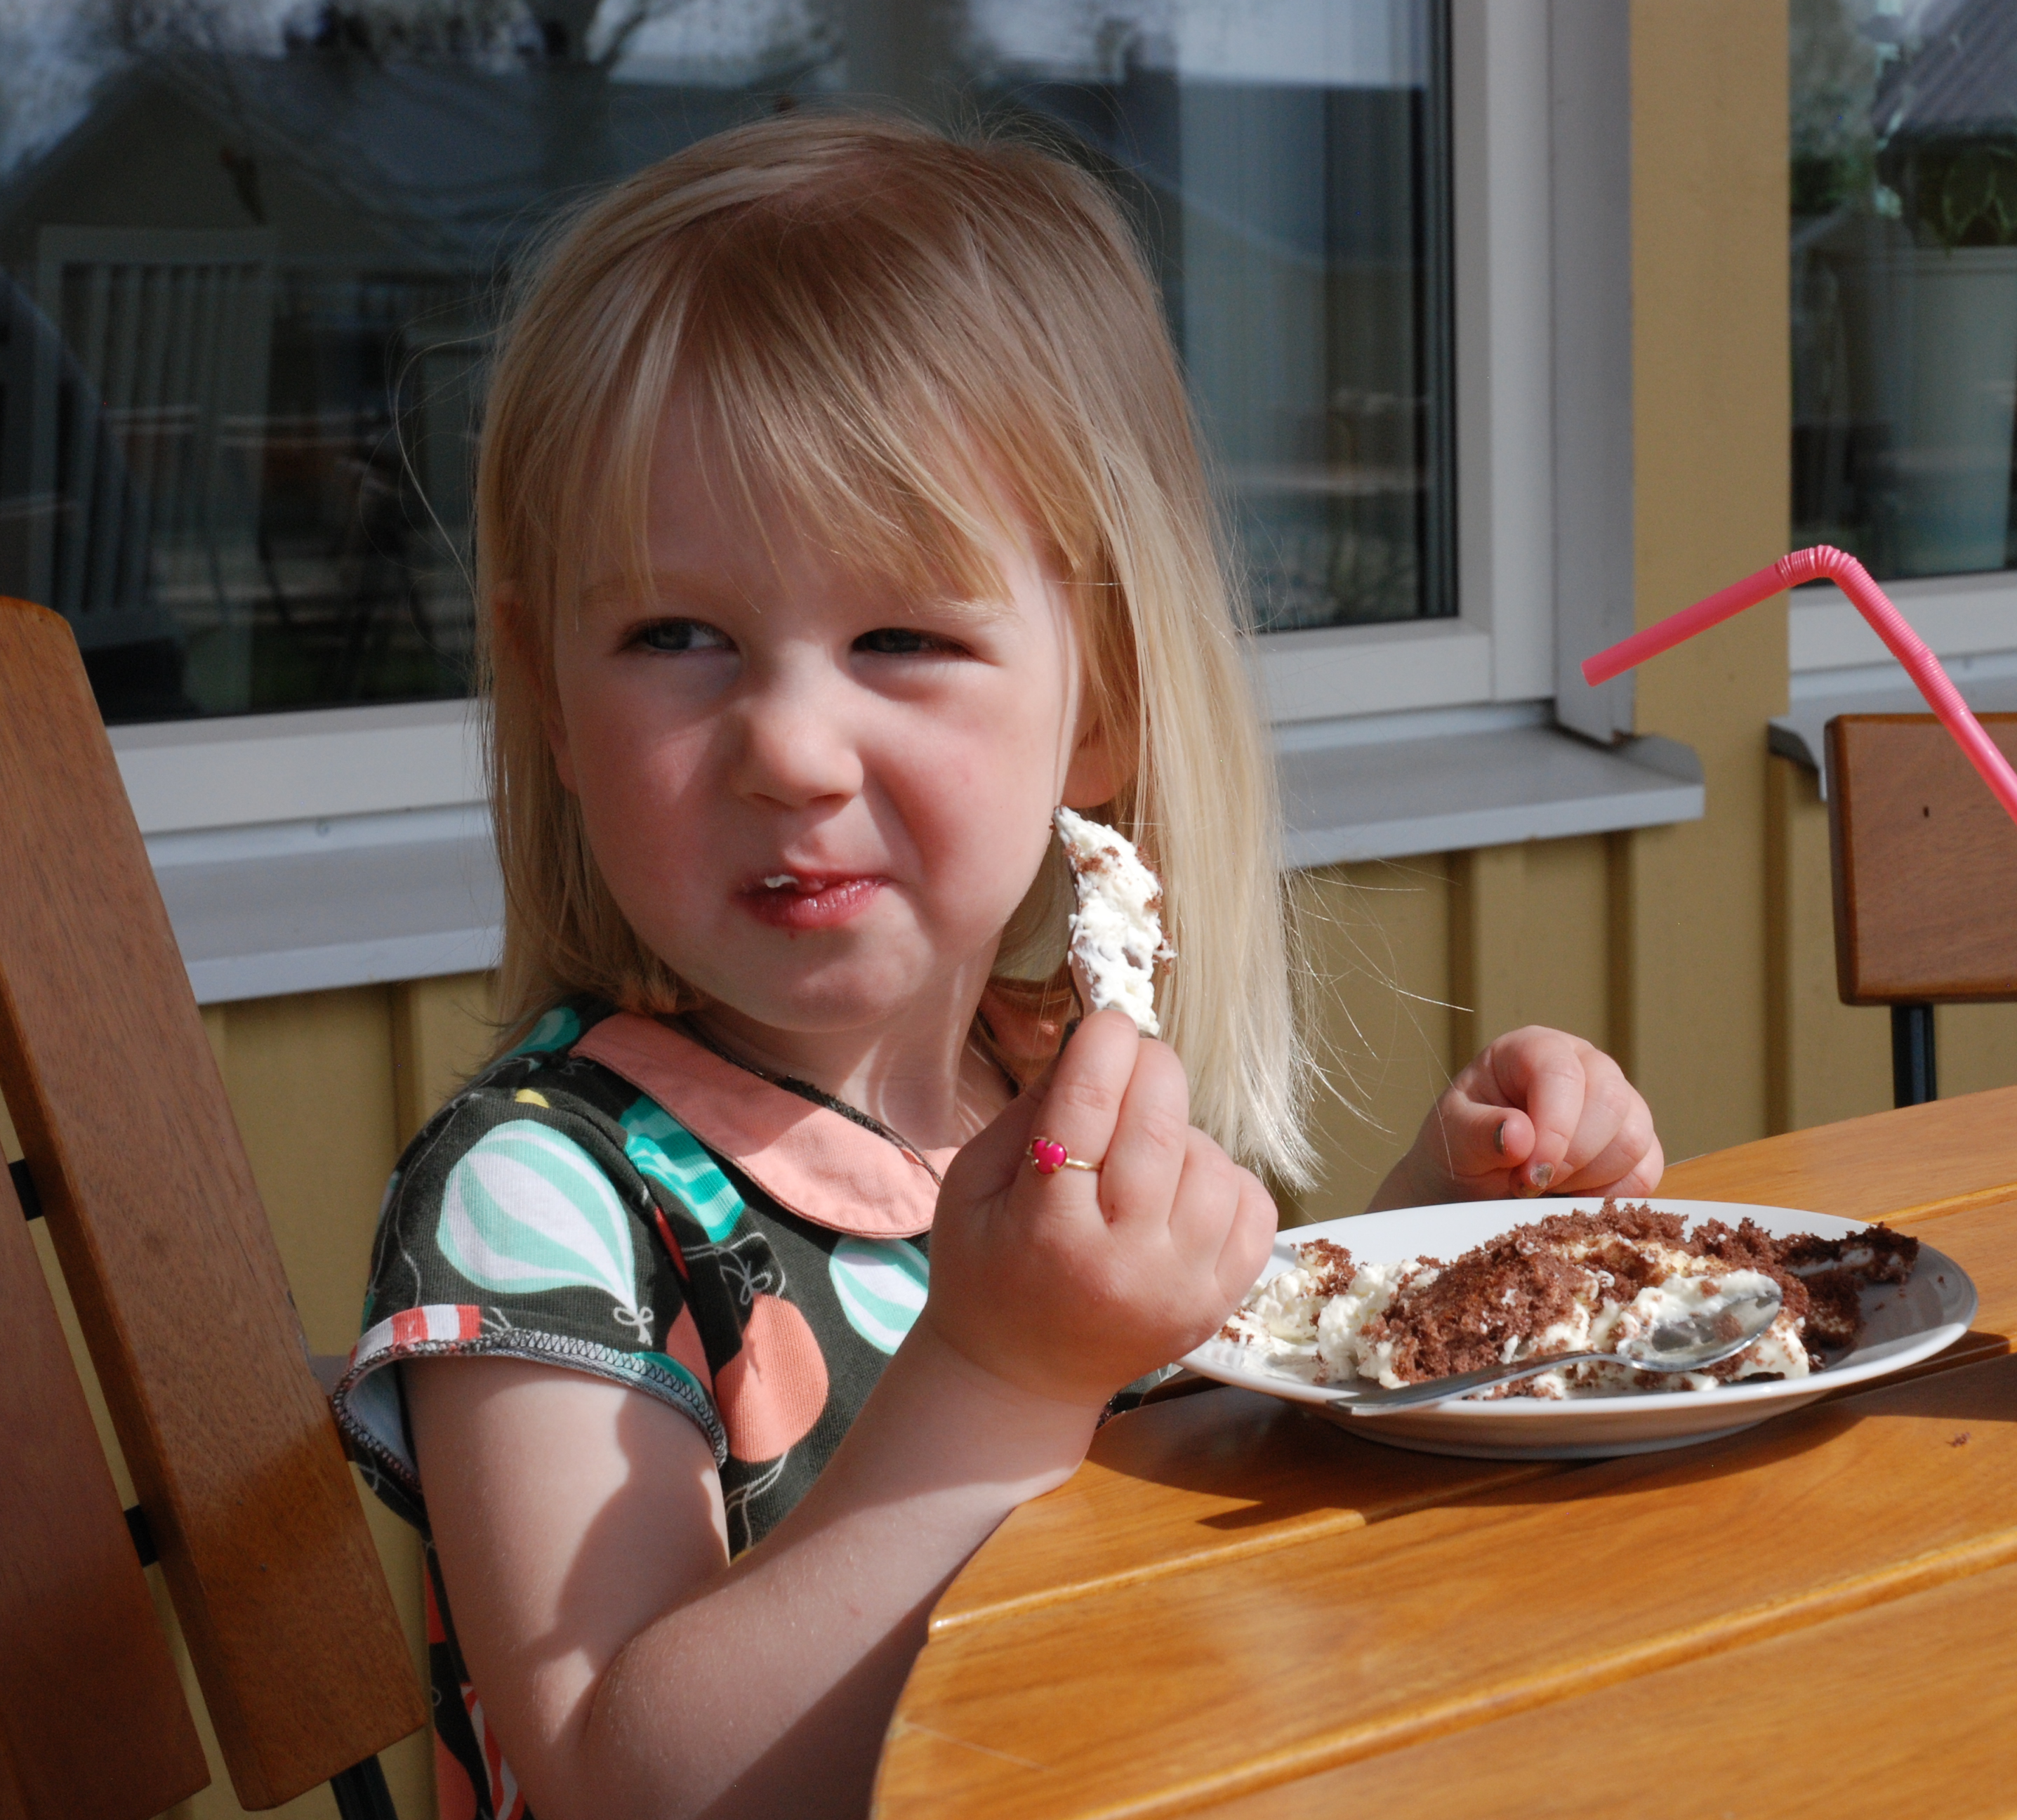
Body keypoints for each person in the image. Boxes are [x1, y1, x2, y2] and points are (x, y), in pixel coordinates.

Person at [332, 112, 1662, 1820]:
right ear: (550, 699)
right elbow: (625, 1780)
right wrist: (998, 1380)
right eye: (675, 635)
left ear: (1098, 704)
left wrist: (1434, 1234)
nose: (789, 748)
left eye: (901, 637)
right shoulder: (546, 1199)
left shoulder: (1041, 1084)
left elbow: (1204, 1448)